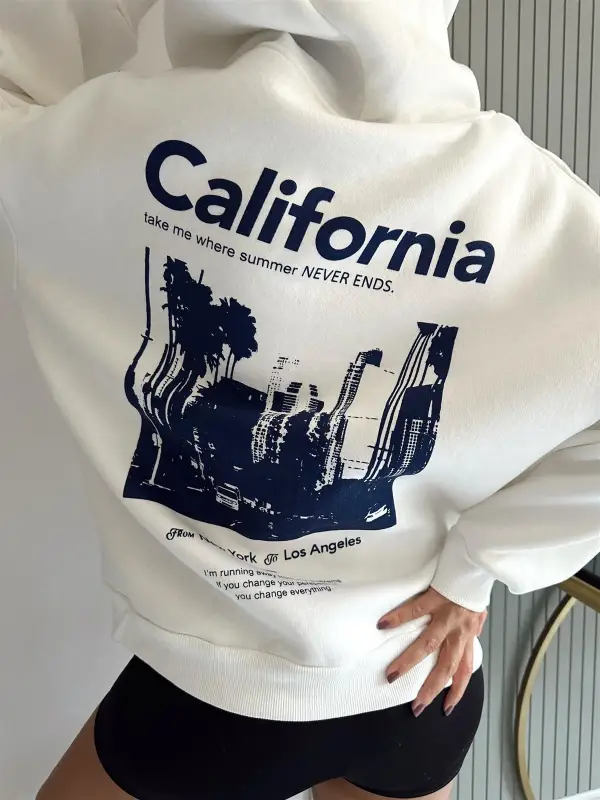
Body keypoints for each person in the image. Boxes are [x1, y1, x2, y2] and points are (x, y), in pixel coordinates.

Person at [1, 1, 599, 798]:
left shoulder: (107, 137)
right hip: (413, 679)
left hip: (213, 704)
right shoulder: (526, 203)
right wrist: (479, 567)